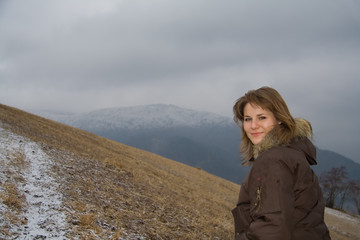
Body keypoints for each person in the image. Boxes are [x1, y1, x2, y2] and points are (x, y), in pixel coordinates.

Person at [231, 86, 331, 240]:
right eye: (247, 119)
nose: (253, 126)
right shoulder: (290, 153)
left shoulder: (274, 160)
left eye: (262, 117)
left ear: (278, 119)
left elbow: (272, 228)